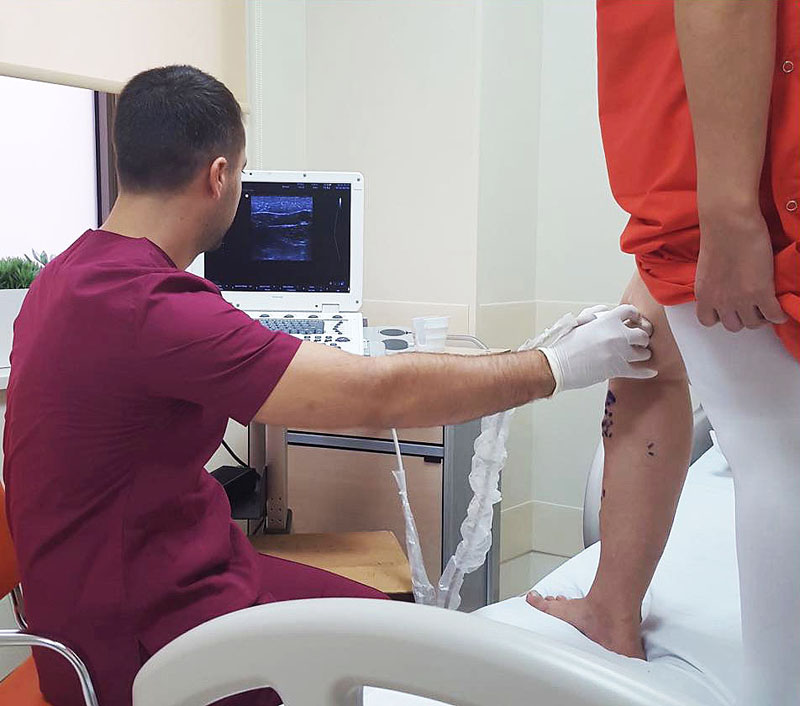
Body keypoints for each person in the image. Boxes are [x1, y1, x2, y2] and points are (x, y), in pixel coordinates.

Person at [2, 65, 655, 706]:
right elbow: (376, 394)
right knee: (406, 669)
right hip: (136, 646)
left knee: (400, 632)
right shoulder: (150, 307)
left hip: (165, 575)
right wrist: (557, 365)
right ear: (219, 176)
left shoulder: (66, 276)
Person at [527, 2, 799, 704]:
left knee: (777, 456)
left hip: (742, 190)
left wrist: (729, 215)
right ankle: (611, 607)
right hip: (728, 181)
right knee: (644, 342)